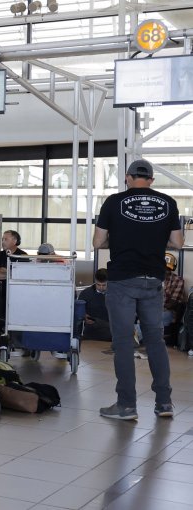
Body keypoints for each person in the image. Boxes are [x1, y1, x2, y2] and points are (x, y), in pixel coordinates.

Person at [93, 159, 183, 420]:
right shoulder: (168, 202)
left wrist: (121, 239)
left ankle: (126, 406)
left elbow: (98, 241)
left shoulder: (113, 201)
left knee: (123, 343)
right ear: (152, 180)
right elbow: (177, 242)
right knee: (155, 341)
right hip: (153, 280)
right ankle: (164, 403)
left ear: (127, 177)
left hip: (122, 279)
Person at [78, 269, 111, 341]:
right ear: (95, 281)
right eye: (98, 285)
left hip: (111, 335)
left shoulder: (115, 294)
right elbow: (78, 312)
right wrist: (84, 316)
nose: (101, 288)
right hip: (91, 335)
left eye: (104, 285)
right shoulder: (85, 294)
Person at [163, 253, 186, 328]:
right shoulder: (152, 278)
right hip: (150, 309)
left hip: (166, 311)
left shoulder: (178, 280)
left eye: (168, 268)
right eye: (163, 267)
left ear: (172, 268)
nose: (165, 270)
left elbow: (172, 304)